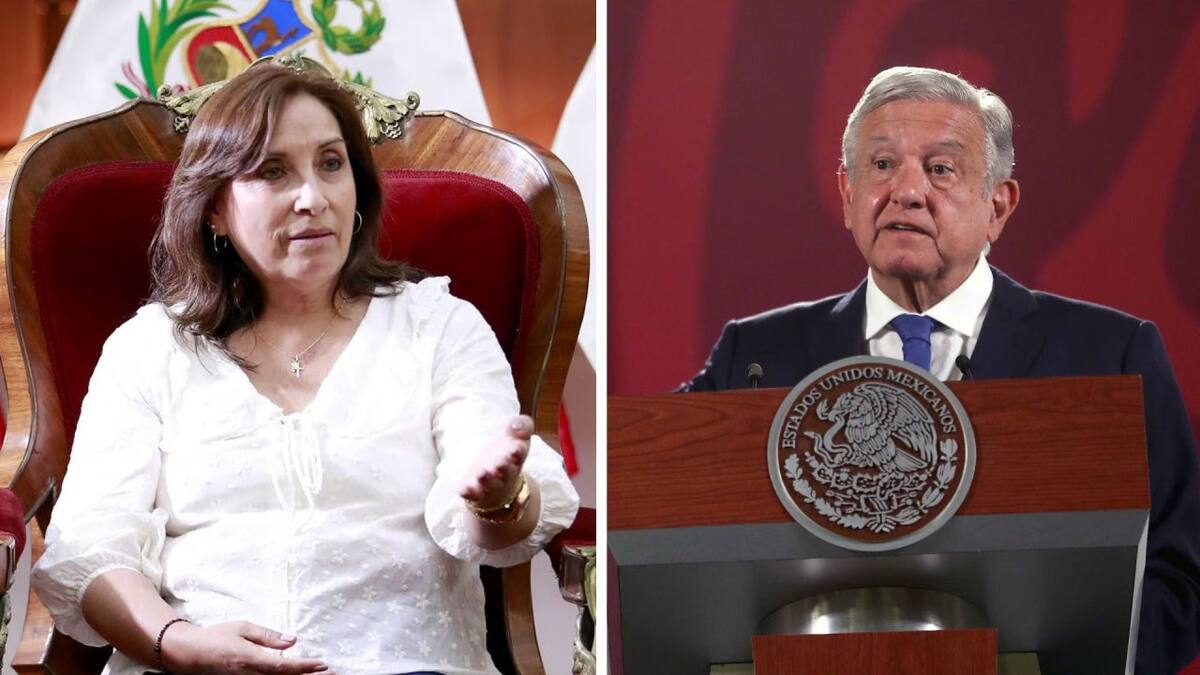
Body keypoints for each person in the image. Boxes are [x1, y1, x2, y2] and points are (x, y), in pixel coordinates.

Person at [30, 61, 579, 675]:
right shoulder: (151, 347)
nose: (314, 198)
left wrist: (499, 501)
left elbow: (498, 525)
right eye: (272, 171)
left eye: (331, 164)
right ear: (214, 208)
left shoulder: (438, 326)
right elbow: (92, 545)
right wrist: (176, 641)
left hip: (403, 663)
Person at [683, 66, 1200, 674]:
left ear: (998, 205)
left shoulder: (1112, 355)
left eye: (940, 169)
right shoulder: (755, 358)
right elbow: (662, 522)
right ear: (847, 194)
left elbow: (1178, 575)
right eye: (881, 166)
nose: (905, 191)